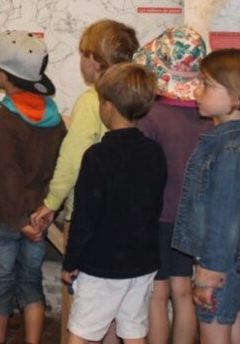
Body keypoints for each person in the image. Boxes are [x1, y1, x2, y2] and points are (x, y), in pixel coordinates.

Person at [31, 19, 139, 343]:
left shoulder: (93, 101)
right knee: (115, 305)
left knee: (80, 305)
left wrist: (51, 203)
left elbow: (72, 161)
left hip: (89, 218)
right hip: (128, 217)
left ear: (92, 59)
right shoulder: (136, 99)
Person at [61, 62, 166, 344]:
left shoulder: (97, 156)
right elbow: (154, 206)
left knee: (81, 332)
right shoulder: (155, 152)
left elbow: (85, 218)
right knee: (134, 331)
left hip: (102, 265)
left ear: (107, 105)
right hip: (142, 263)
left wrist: (71, 260)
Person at [172, 49, 240, 344]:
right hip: (235, 261)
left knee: (214, 333)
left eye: (206, 84)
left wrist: (208, 277)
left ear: (237, 97)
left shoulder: (229, 151)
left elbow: (224, 221)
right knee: (237, 331)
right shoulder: (235, 141)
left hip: (222, 264)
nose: (196, 91)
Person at [0, 31, 67, 344]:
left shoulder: (5, 121)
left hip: (3, 216)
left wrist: (18, 222)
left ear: (3, 74)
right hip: (38, 215)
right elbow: (60, 166)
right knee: (31, 281)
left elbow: (4, 175)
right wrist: (38, 217)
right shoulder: (54, 117)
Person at [133, 28, 211, 344]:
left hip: (158, 216)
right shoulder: (209, 116)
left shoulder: (149, 116)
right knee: (183, 290)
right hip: (192, 216)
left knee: (156, 292)